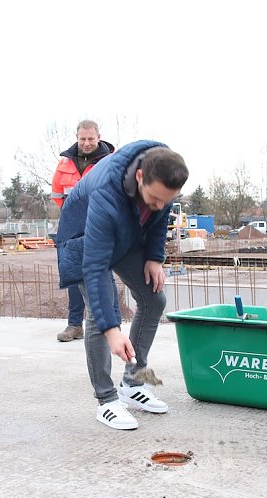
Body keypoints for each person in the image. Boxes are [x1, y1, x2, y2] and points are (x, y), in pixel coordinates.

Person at [55, 141, 189, 430]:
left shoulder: (162, 171)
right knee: (100, 316)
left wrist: (155, 257)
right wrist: (112, 330)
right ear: (139, 177)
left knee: (154, 300)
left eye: (166, 200)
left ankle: (133, 381)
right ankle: (106, 401)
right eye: (153, 198)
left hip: (125, 233)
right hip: (83, 240)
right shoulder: (108, 192)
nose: (158, 206)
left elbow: (159, 215)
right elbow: (95, 265)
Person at [51, 120, 117, 342]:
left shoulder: (110, 161)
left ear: (99, 137)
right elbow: (57, 195)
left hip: (100, 226)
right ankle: (74, 325)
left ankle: (108, 323)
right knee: (73, 273)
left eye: (90, 139)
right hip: (72, 228)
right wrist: (73, 217)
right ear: (77, 137)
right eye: (82, 139)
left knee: (103, 272)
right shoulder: (65, 164)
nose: (86, 143)